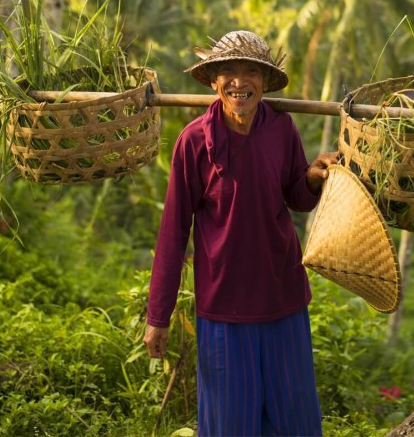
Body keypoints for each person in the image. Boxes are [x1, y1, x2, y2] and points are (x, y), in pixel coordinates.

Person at [144, 30, 338, 436]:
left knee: (295, 424)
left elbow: (295, 196)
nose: (238, 82)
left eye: (250, 72)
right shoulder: (194, 141)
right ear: (214, 82)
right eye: (228, 72)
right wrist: (157, 316)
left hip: (283, 300)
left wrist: (314, 178)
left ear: (265, 83)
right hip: (223, 310)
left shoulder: (281, 130)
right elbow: (174, 231)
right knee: (230, 426)